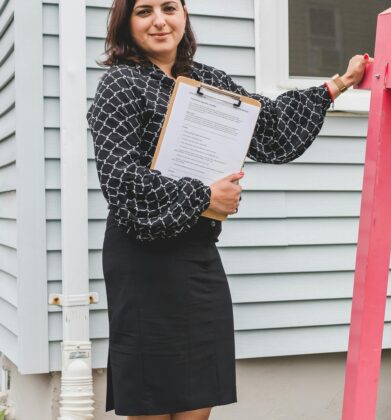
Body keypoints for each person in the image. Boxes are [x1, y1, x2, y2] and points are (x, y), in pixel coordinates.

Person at [87, 0, 371, 419]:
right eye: (144, 11)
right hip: (142, 261)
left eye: (169, 7)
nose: (160, 20)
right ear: (125, 23)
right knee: (151, 401)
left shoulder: (206, 80)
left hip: (197, 258)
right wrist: (205, 196)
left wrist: (337, 84)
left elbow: (270, 130)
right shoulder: (121, 84)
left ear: (184, 15)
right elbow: (120, 180)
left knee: (198, 399)